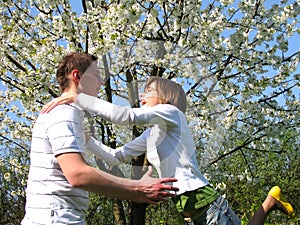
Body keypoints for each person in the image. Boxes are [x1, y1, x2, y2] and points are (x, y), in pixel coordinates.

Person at [42, 75, 296, 224]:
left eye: (149, 91)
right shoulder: (152, 133)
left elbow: (126, 116)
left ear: (165, 97)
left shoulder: (172, 114)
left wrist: (79, 97)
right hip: (190, 212)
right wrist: (87, 140)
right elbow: (116, 156)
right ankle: (271, 199)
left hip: (207, 204)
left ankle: (271, 199)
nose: (142, 95)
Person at [21, 53, 180, 225]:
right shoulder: (64, 113)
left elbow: (114, 156)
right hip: (55, 219)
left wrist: (86, 138)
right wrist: (138, 189)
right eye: (96, 75)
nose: (101, 82)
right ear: (77, 76)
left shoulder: (69, 116)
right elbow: (78, 174)